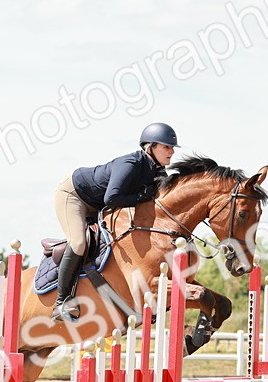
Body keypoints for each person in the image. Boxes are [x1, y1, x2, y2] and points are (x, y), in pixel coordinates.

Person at [51, 122, 179, 322]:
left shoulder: (158, 172)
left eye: (172, 148)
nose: (171, 152)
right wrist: (140, 196)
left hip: (100, 204)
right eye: (166, 147)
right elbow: (112, 198)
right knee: (78, 242)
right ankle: (61, 303)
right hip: (74, 195)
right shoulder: (131, 164)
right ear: (151, 147)